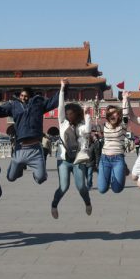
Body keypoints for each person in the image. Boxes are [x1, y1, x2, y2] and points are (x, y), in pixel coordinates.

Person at [0, 85, 61, 184]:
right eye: (21, 95)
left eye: (26, 96)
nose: (23, 98)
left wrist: (63, 88)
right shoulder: (14, 105)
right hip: (20, 148)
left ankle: (36, 174)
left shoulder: (38, 104)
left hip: (35, 149)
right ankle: (18, 168)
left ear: (31, 96)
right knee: (11, 178)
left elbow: (53, 102)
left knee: (41, 179)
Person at [49, 80, 92, 219]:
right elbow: (60, 106)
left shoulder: (80, 126)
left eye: (71, 113)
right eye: (67, 113)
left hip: (78, 160)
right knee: (64, 186)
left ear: (76, 114)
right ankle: (54, 205)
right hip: (63, 160)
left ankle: (87, 202)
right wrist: (61, 89)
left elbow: (88, 130)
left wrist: (87, 115)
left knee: (81, 187)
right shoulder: (62, 123)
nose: (68, 115)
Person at [98, 94, 131, 194]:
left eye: (114, 113)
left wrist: (125, 99)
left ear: (118, 114)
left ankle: (120, 171)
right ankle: (113, 174)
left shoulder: (123, 125)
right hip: (104, 159)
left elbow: (126, 114)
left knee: (117, 189)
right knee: (102, 189)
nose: (112, 115)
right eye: (110, 113)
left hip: (118, 159)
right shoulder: (105, 125)